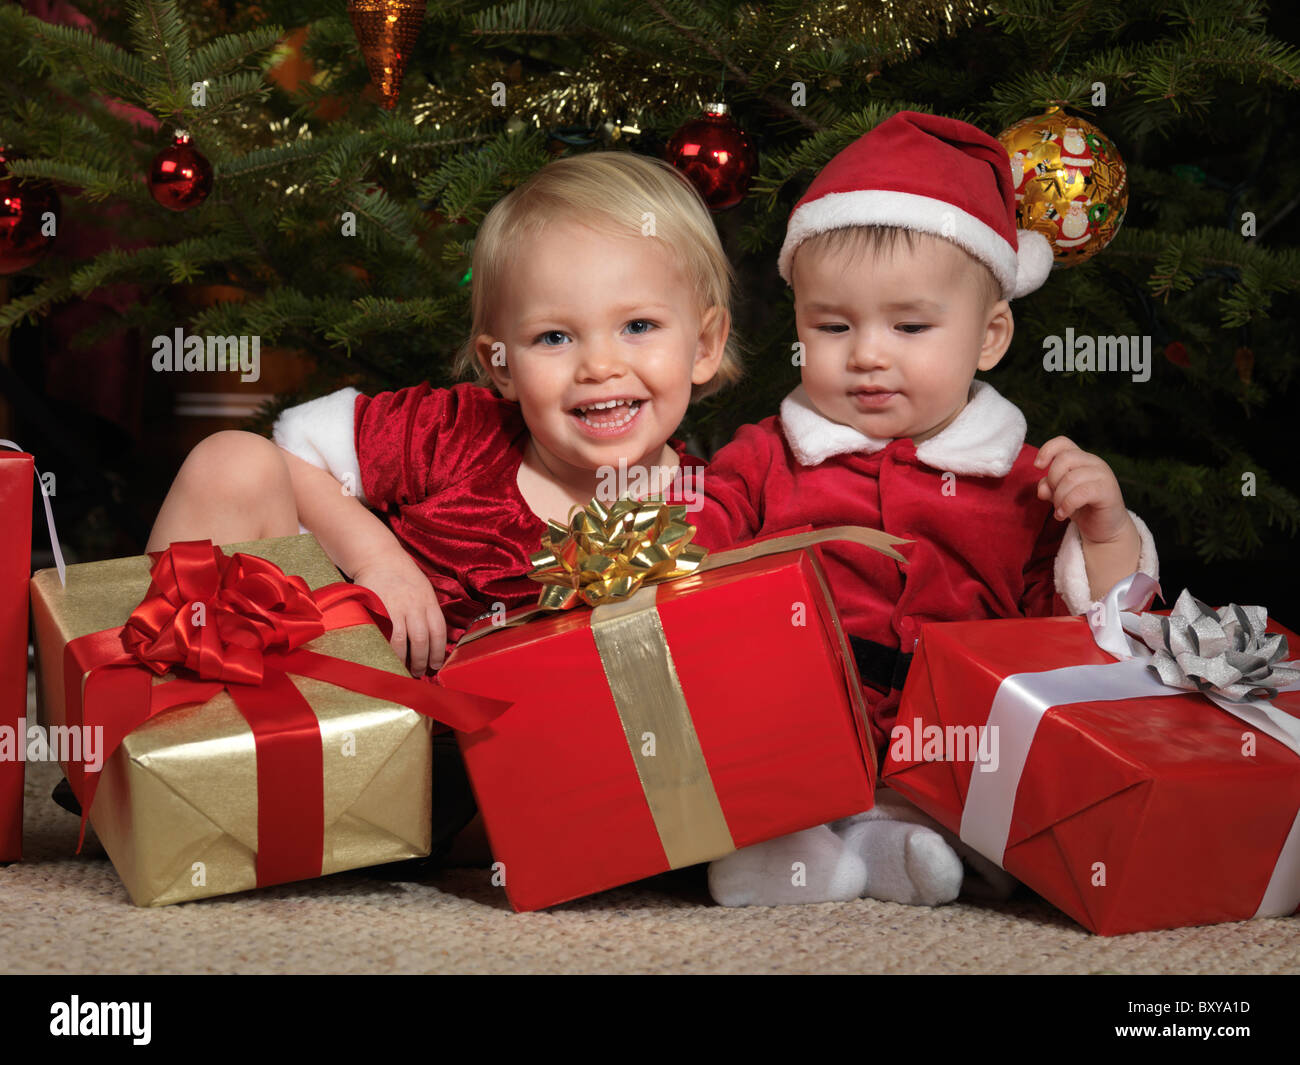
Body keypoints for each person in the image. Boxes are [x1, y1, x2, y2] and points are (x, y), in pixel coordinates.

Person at [142, 150, 740, 868]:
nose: (599, 365)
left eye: (638, 325)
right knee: (230, 461)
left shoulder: (708, 513)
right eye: (554, 336)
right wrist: (379, 558)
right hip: (340, 700)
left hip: (499, 784)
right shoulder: (461, 432)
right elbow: (297, 443)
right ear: (501, 365)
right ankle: (160, 748)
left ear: (704, 345)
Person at [688, 111, 1160, 908]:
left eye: (910, 326)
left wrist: (1105, 531)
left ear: (989, 335)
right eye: (832, 326)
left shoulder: (1023, 481)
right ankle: (799, 840)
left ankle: (887, 845)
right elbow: (700, 538)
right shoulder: (770, 454)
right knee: (746, 749)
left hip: (948, 748)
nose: (868, 353)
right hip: (798, 731)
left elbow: (1091, 626)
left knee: (990, 795)